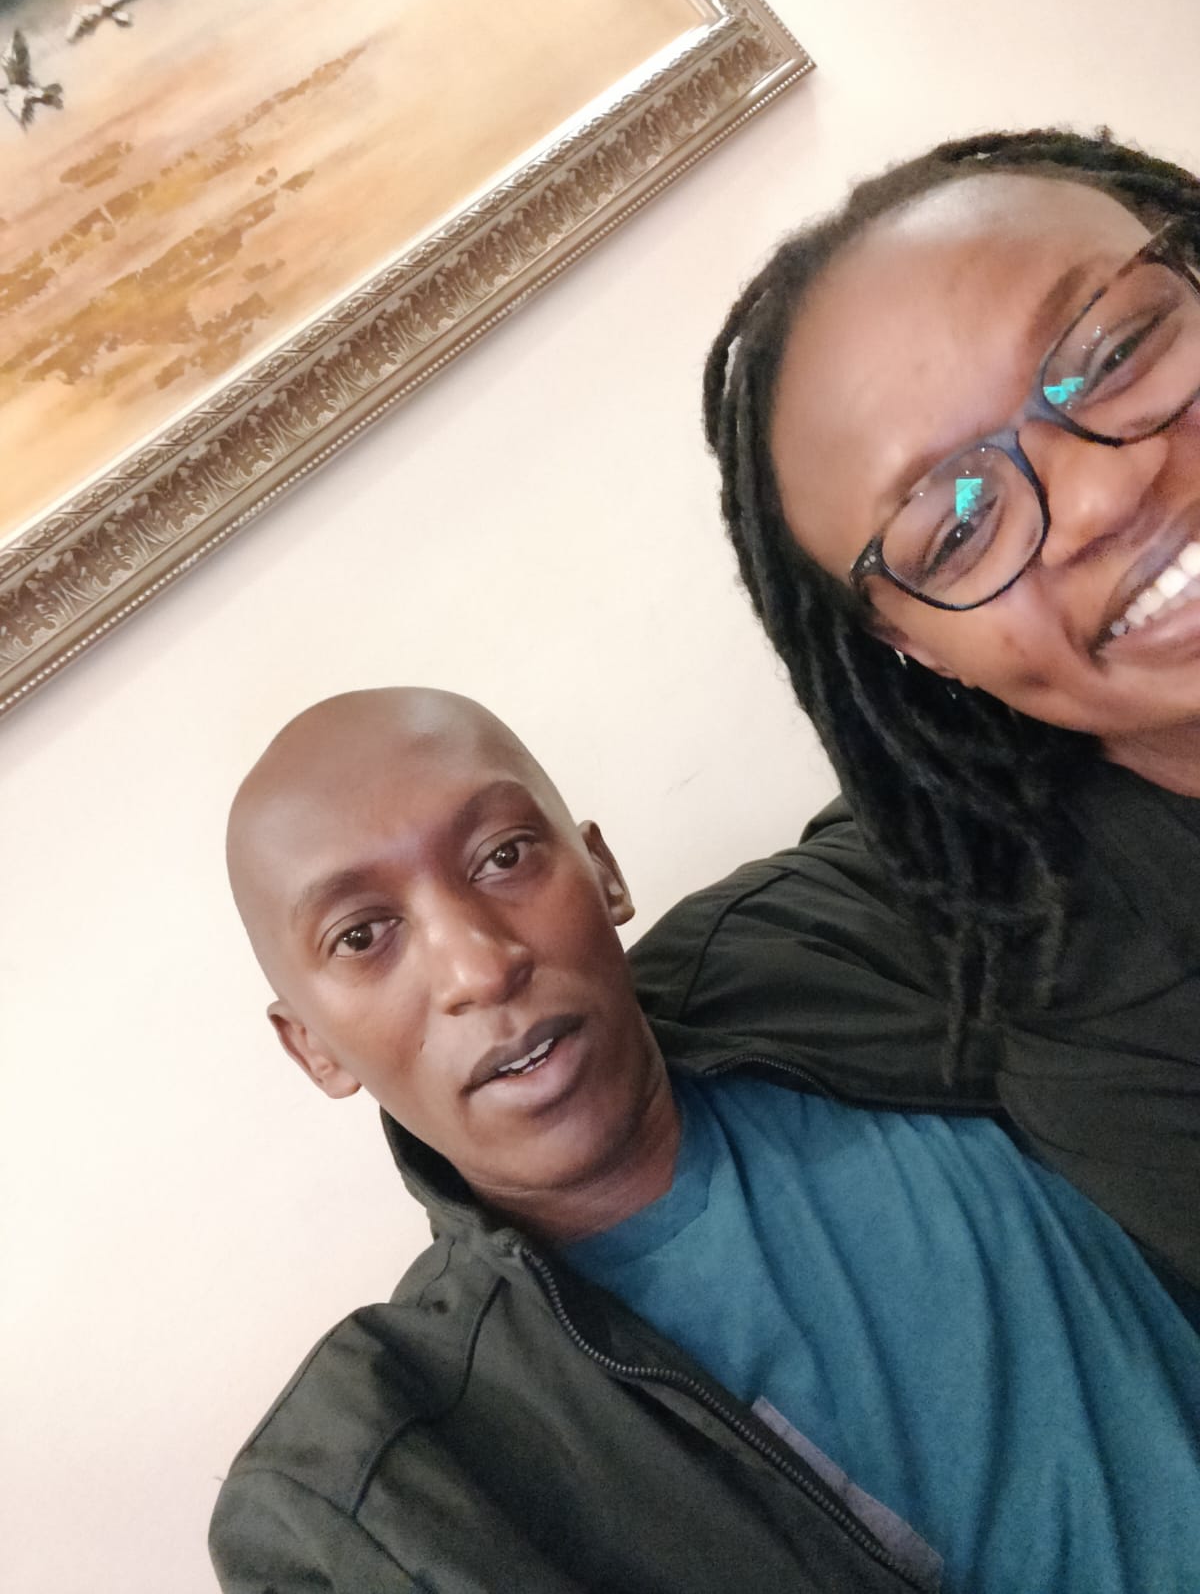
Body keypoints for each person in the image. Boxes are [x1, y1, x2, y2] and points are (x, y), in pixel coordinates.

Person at [211, 687, 1200, 1594]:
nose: (479, 965)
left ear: (601, 871)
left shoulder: (825, 936)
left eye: (504, 857)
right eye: (361, 935)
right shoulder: (399, 1473)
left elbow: (1044, 729)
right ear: (313, 1047)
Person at [633, 127, 1200, 1300]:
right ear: (919, 650)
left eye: (1117, 351)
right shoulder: (1115, 1022)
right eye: (958, 528)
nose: (1102, 492)